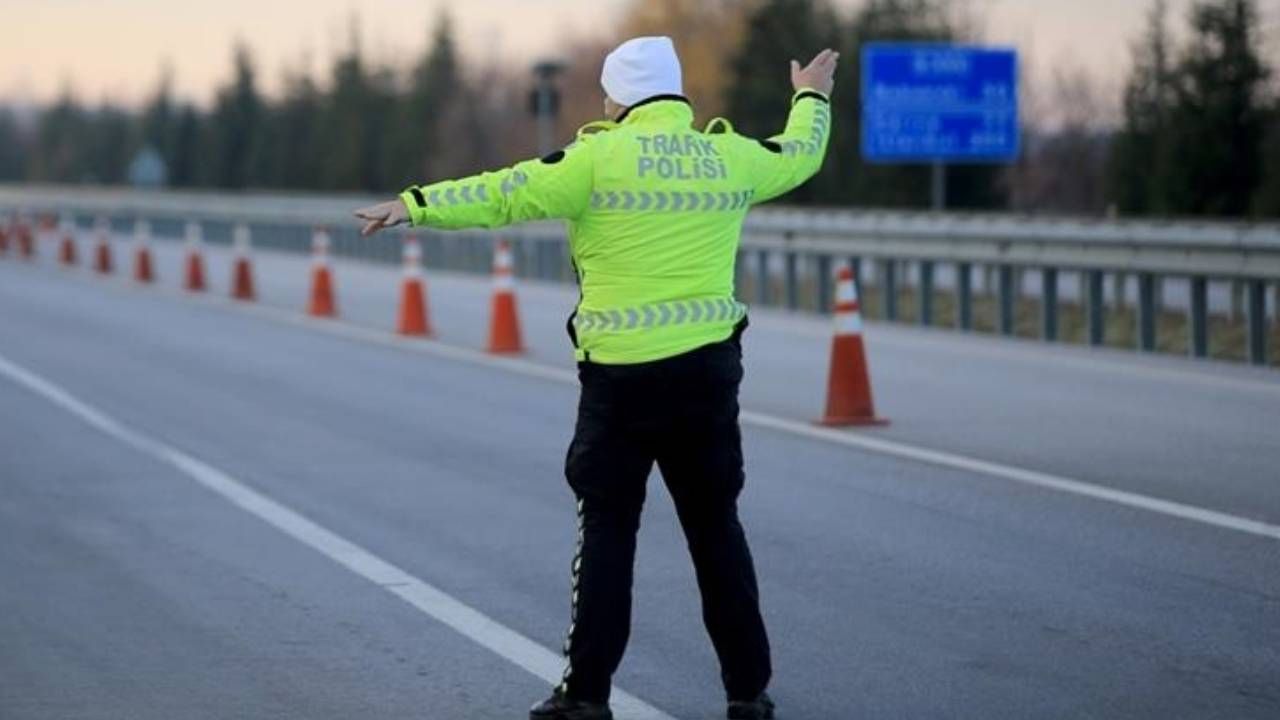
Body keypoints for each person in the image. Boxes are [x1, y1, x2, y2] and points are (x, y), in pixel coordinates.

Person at [355, 36, 837, 720]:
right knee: (715, 529)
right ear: (673, 91)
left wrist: (416, 204)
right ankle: (748, 691)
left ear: (619, 98)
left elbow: (504, 192)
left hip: (621, 383)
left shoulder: (594, 159)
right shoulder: (727, 155)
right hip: (706, 376)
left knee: (609, 532)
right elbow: (800, 154)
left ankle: (585, 696)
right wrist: (810, 95)